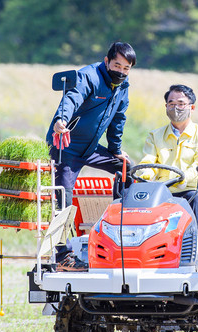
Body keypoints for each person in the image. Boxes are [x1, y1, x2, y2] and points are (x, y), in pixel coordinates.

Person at [47, 41, 136, 271]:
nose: (121, 72)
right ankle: (63, 256)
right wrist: (61, 120)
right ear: (107, 61)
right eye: (117, 65)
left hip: (91, 148)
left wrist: (116, 149)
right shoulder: (88, 76)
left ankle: (127, 234)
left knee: (127, 170)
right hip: (66, 146)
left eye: (126, 68)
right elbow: (71, 98)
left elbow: (118, 119)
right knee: (63, 200)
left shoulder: (123, 87)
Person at [138, 84, 198, 225]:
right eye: (171, 103)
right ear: (166, 107)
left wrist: (183, 179)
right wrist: (144, 176)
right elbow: (148, 162)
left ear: (192, 108)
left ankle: (192, 242)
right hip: (162, 191)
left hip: (190, 190)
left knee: (196, 197)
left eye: (181, 104)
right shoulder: (155, 136)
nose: (175, 108)